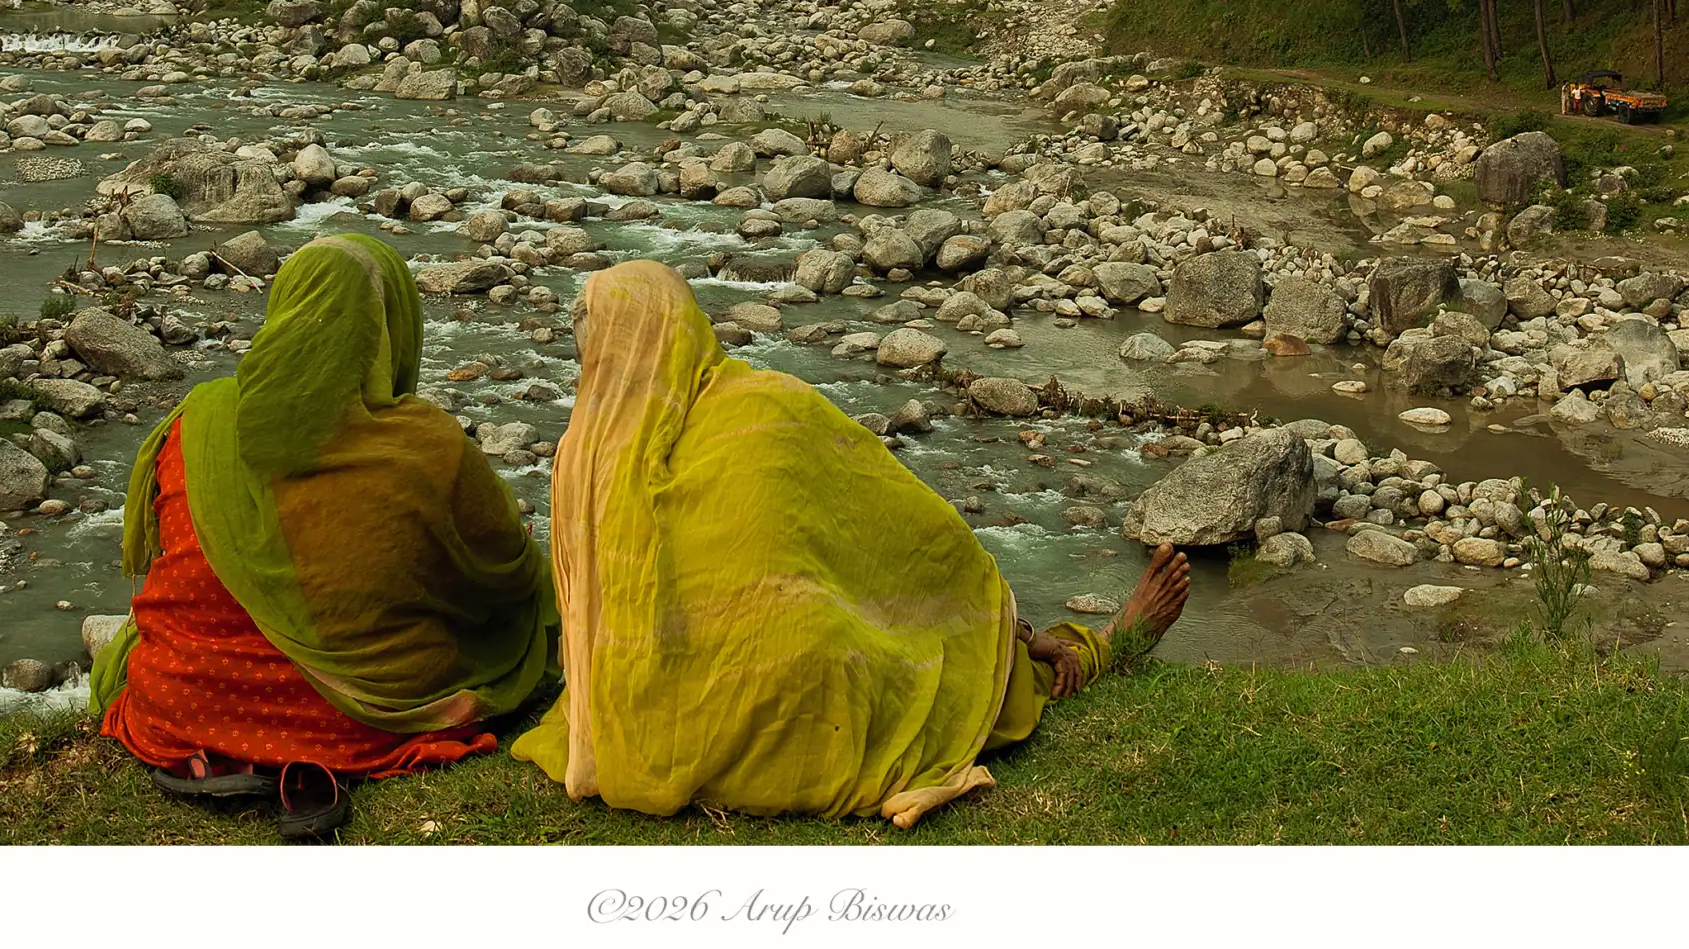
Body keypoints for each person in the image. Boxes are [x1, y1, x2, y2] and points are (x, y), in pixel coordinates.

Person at [509, 259, 1191, 828]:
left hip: (644, 733)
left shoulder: (580, 459)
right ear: (688, 330)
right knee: (914, 651)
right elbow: (912, 536)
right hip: (793, 712)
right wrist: (1012, 626)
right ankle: (1102, 644)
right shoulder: (765, 403)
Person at [89, 232, 556, 838]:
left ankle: (231, 745)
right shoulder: (426, 444)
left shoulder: (196, 420)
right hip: (362, 718)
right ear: (389, 329)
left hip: (181, 702)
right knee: (508, 621)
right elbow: (507, 576)